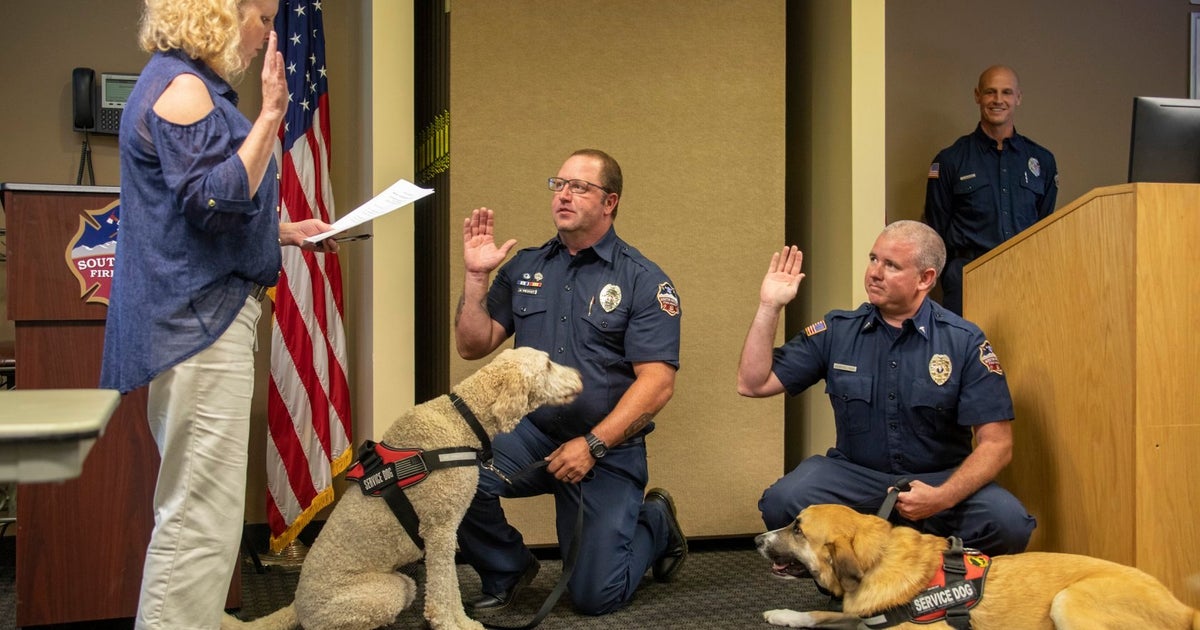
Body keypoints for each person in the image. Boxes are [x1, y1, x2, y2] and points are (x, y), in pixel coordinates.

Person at [99, 1, 337, 627]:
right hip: (198, 328)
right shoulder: (183, 88)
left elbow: (201, 219)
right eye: (261, 16)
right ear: (221, 13)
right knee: (199, 518)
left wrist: (282, 231)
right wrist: (273, 117)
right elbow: (216, 200)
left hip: (197, 322)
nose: (267, 33)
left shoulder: (182, 82)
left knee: (200, 510)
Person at [454, 149, 687, 616]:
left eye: (580, 186)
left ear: (610, 202)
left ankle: (656, 523)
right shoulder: (526, 267)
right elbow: (472, 344)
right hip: (533, 434)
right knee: (454, 475)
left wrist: (594, 444)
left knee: (594, 597)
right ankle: (508, 567)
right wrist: (477, 278)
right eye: (558, 184)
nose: (564, 194)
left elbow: (658, 383)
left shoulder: (643, 280)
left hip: (607, 447)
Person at [737, 220, 1035, 557]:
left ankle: (942, 585)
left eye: (891, 265)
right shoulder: (838, 330)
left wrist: (943, 496)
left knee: (1008, 522)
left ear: (926, 279)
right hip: (856, 476)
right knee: (783, 501)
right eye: (873, 259)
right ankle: (847, 581)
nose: (874, 273)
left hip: (938, 478)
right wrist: (769, 306)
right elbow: (753, 383)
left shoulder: (963, 341)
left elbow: (997, 444)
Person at [923, 65, 1058, 315]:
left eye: (1006, 93)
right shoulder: (950, 160)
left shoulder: (1042, 161)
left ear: (1018, 98)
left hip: (1024, 280)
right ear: (977, 96)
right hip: (968, 279)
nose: (998, 100)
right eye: (990, 92)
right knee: (964, 353)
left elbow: (1044, 227)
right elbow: (935, 232)